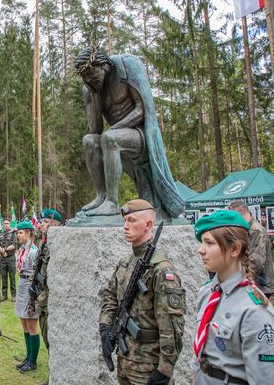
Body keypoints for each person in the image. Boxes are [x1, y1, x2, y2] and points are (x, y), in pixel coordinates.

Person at [74, 47, 183, 218]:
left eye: (91, 74)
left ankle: (112, 201)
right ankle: (101, 196)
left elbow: (143, 109)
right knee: (89, 140)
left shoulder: (127, 65)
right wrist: (94, 94)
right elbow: (95, 129)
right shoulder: (90, 88)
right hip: (116, 138)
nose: (89, 79)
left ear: (103, 65)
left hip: (141, 135)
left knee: (110, 138)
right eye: (85, 77)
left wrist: (116, 129)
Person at [99, 199, 185, 385]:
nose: (125, 226)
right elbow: (110, 296)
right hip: (125, 359)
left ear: (148, 224)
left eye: (132, 220)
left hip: (148, 366)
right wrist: (105, 327)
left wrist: (165, 369)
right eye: (125, 221)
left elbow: (171, 326)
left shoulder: (161, 270)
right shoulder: (125, 263)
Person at [192, 210, 274, 384]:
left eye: (209, 243)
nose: (201, 250)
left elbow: (263, 378)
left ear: (235, 248)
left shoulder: (254, 309)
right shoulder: (207, 293)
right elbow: (201, 348)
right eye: (202, 242)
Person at [31, 208, 62, 385]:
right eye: (42, 222)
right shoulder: (44, 244)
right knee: (47, 337)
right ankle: (53, 376)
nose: (42, 225)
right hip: (43, 299)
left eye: (46, 222)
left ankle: (55, 377)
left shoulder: (58, 245)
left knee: (54, 341)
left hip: (52, 302)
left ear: (56, 224)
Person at [228, 200, 274, 300]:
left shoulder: (256, 231)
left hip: (262, 286)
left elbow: (256, 261)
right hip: (256, 284)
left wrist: (242, 281)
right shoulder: (247, 229)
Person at [14, 221, 40, 374]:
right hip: (22, 285)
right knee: (24, 321)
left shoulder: (34, 251)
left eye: (21, 232)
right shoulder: (23, 250)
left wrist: (34, 295)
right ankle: (28, 357)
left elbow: (36, 273)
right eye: (18, 233)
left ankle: (33, 361)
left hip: (30, 288)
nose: (18, 235)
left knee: (31, 324)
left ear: (29, 233)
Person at [0, 219, 17, 301]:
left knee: (12, 277)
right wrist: (2, 250)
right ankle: (4, 295)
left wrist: (5, 250)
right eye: (4, 223)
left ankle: (13, 295)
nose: (6, 225)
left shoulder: (13, 233)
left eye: (7, 223)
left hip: (10, 258)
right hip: (2, 259)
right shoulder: (0, 233)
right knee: (3, 277)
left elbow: (14, 245)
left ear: (10, 224)